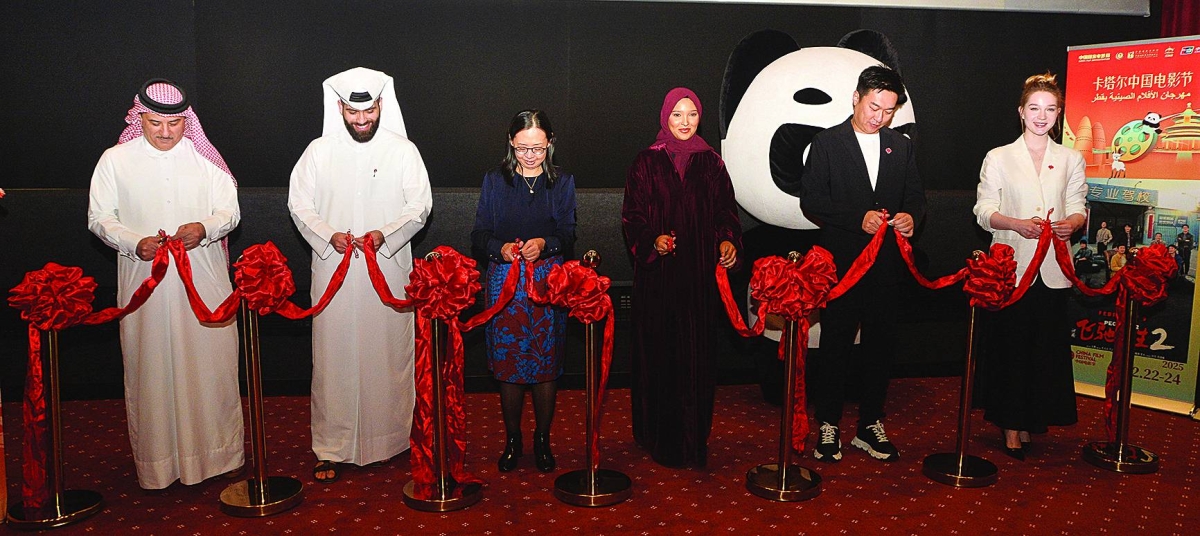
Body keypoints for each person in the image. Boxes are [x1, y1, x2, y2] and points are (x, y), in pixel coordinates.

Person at [87, 79, 243, 489]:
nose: (165, 133)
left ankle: (218, 456)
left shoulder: (205, 161)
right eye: (155, 123)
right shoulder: (114, 160)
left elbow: (230, 210)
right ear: (139, 117)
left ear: (185, 122)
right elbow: (99, 217)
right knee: (150, 368)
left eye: (174, 124)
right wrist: (131, 241)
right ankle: (159, 464)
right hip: (145, 285)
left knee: (210, 367)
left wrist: (204, 227)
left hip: (204, 281)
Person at [288, 67, 433, 483]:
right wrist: (327, 234)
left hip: (386, 269)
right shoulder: (318, 150)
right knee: (333, 359)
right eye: (353, 113)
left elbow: (418, 207)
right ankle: (331, 447)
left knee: (387, 354)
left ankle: (391, 440)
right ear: (340, 109)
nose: (361, 120)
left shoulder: (403, 151)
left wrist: (382, 235)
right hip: (333, 269)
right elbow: (300, 205)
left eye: (368, 112)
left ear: (381, 106)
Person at [800, 65, 925, 463]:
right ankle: (829, 425)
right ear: (856, 98)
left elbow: (916, 199)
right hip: (842, 267)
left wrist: (910, 218)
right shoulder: (826, 143)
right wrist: (857, 218)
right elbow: (812, 202)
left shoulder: (900, 146)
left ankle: (871, 423)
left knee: (880, 347)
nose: (879, 117)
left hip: (887, 266)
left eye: (888, 110)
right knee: (835, 345)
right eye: (874, 106)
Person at [622, 87, 741, 468]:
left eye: (692, 115)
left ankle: (693, 438)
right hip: (658, 282)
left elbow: (727, 214)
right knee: (658, 357)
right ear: (665, 118)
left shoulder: (713, 164)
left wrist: (727, 241)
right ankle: (654, 434)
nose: (685, 122)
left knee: (696, 360)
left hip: (699, 283)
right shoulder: (645, 162)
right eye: (677, 115)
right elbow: (632, 217)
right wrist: (651, 240)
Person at [972, 72, 1086, 461]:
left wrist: (1074, 222)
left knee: (1043, 350)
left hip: (1054, 269)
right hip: (1011, 267)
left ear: (1059, 114)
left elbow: (1078, 206)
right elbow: (984, 211)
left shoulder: (1071, 158)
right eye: (1034, 108)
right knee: (1011, 348)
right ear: (1021, 112)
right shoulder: (999, 156)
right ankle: (1009, 424)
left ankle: (1032, 419)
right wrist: (1015, 224)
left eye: (1050, 109)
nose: (1042, 116)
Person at [471, 110, 577, 473]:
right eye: (522, 149)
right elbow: (479, 234)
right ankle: (513, 438)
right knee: (509, 365)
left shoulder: (561, 182)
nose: (530, 156)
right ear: (511, 144)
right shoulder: (494, 180)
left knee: (546, 365)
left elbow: (568, 234)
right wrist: (498, 249)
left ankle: (543, 440)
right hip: (505, 281)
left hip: (548, 281)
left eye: (538, 148)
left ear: (550, 143)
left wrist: (544, 244)